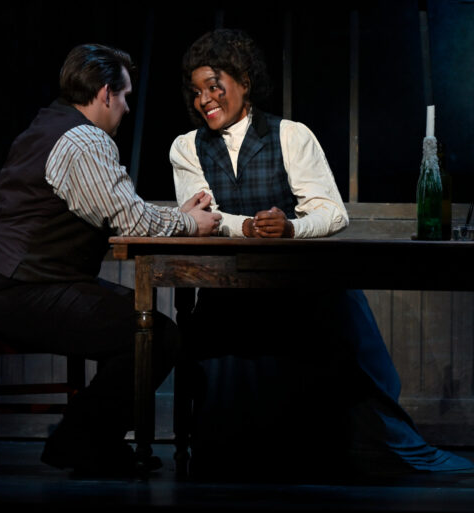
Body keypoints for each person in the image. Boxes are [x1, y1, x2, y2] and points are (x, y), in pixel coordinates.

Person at [169, 28, 473, 478]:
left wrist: (290, 227)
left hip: (298, 282)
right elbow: (201, 215)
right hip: (231, 287)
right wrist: (248, 226)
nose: (205, 100)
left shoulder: (291, 135)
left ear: (244, 82)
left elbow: (332, 213)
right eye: (196, 93)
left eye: (215, 86)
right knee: (217, 343)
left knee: (334, 319)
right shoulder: (185, 147)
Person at [0, 43, 222, 477]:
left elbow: (121, 208)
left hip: (11, 281)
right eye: (124, 98)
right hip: (21, 287)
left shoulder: (49, 123)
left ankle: (87, 442)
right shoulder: (84, 140)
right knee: (155, 336)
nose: (124, 109)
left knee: (138, 323)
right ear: (105, 93)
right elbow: (133, 219)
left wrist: (178, 216)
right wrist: (192, 225)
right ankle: (80, 443)